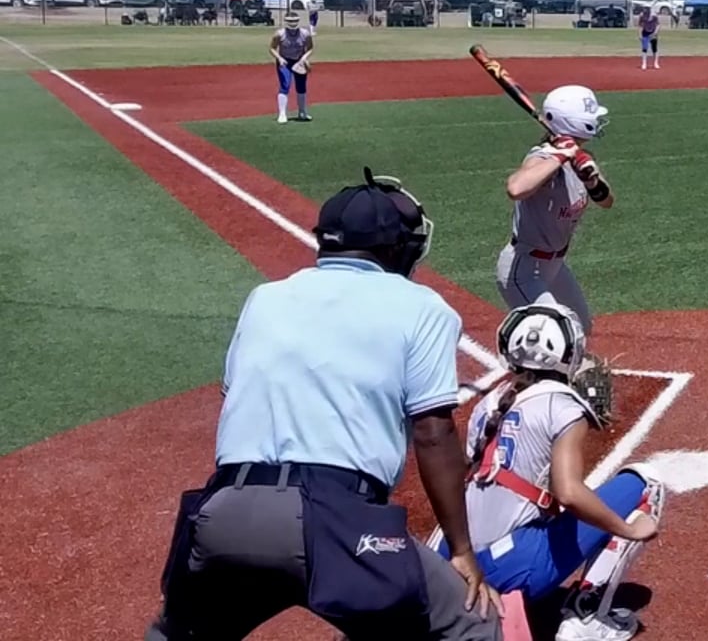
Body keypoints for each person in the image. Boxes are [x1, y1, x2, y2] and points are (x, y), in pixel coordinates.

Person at [147, 169, 503, 641]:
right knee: (472, 623)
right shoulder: (423, 306)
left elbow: (233, 395)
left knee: (177, 634)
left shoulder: (264, 298)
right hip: (334, 520)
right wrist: (461, 549)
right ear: (395, 249)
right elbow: (433, 432)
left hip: (225, 513)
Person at [449, 295, 664, 641]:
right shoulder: (563, 404)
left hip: (454, 568)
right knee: (646, 482)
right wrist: (626, 529)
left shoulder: (486, 404)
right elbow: (568, 492)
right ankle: (586, 618)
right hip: (513, 569)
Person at [498, 84, 617, 422]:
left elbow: (607, 201)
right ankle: (524, 407)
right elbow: (516, 187)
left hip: (555, 265)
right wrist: (560, 156)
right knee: (558, 341)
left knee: (581, 326)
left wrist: (592, 180)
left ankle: (551, 393)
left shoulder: (580, 157)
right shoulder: (542, 157)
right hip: (523, 269)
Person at [268, 11, 315, 124]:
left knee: (301, 87)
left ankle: (302, 112)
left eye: (294, 21)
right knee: (285, 85)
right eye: (290, 21)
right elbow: (272, 48)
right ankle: (282, 114)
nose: (292, 23)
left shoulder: (305, 34)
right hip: (285, 61)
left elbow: (310, 48)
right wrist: (279, 58)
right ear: (286, 21)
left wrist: (304, 59)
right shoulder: (279, 34)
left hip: (299, 61)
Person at [637, 4, 660, 70]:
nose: (645, 10)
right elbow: (640, 25)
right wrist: (640, 34)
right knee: (645, 48)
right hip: (645, 32)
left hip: (653, 32)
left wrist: (655, 33)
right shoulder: (642, 15)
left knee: (654, 48)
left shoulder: (654, 15)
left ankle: (656, 63)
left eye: (647, 8)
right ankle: (644, 63)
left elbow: (658, 24)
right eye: (645, 8)